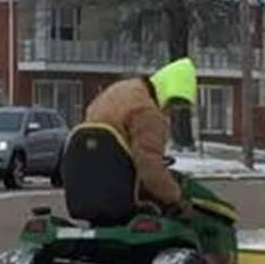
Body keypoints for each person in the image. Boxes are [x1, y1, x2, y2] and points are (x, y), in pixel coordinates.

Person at [83, 57, 197, 216]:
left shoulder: (121, 90)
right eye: (173, 104)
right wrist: (177, 198)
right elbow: (150, 168)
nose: (170, 111)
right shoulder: (147, 111)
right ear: (168, 93)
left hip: (88, 186)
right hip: (122, 194)